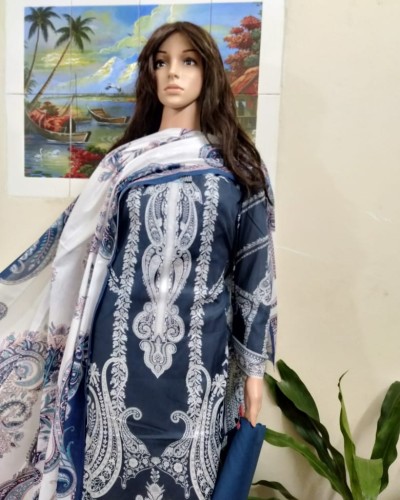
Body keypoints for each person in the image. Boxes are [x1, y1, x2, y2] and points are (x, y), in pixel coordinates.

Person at [0, 21, 276, 500]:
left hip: (200, 362)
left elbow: (256, 274)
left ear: (208, 72)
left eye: (188, 61)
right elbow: (78, 257)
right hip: (114, 359)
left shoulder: (239, 165)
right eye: (161, 62)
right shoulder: (123, 164)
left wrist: (254, 373)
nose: (173, 73)